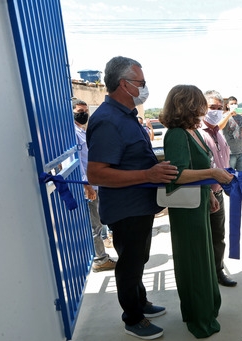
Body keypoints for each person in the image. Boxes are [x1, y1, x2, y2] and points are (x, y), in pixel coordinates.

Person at [86, 56, 179, 340]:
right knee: (129, 262)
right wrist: (147, 176)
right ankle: (133, 317)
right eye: (141, 83)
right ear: (124, 85)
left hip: (139, 204)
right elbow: (97, 174)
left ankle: (141, 302)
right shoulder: (108, 120)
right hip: (125, 208)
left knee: (138, 259)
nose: (145, 87)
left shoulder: (127, 117)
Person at [161, 84, 233, 338]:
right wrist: (213, 174)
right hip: (187, 211)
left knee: (203, 260)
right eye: (201, 102)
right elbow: (177, 174)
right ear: (189, 104)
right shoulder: (176, 135)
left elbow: (196, 172)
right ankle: (199, 318)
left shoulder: (193, 132)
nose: (205, 108)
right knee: (195, 262)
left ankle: (204, 309)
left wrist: (209, 194)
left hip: (199, 203)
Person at [72, 99, 116, 271]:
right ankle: (99, 259)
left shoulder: (81, 131)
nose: (83, 114)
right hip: (87, 187)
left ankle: (99, 256)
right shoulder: (72, 134)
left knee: (97, 223)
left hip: (95, 184)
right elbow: (75, 162)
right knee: (94, 225)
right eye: (79, 111)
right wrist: (87, 186)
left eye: (85, 111)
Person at [201, 90, 238, 287]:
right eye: (211, 108)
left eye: (218, 108)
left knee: (218, 236)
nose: (215, 112)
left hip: (218, 192)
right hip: (203, 193)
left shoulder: (218, 132)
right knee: (204, 238)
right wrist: (207, 191)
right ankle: (206, 275)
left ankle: (218, 271)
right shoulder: (198, 133)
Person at [218, 96, 242, 171]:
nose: (234, 105)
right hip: (229, 153)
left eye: (235, 104)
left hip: (241, 152)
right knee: (229, 175)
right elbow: (219, 127)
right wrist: (229, 115)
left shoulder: (241, 118)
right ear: (227, 105)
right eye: (232, 104)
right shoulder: (223, 117)